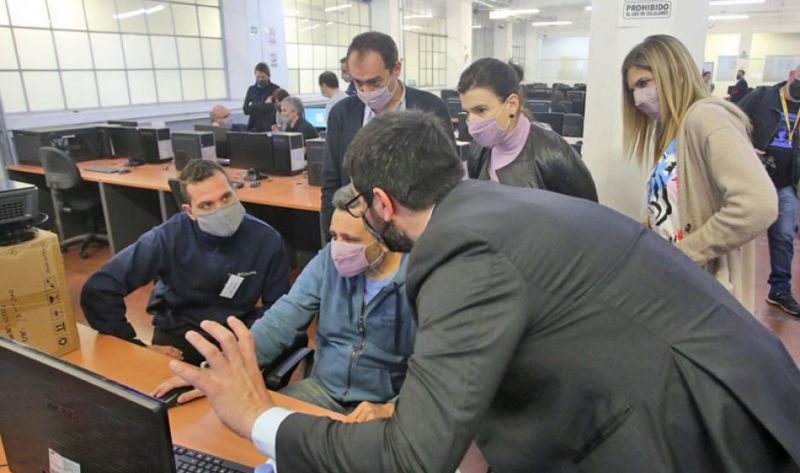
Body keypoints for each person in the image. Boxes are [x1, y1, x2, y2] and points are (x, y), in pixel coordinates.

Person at [170, 110, 800, 473]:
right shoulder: (491, 207)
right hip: (731, 383)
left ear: (382, 202)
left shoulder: (460, 251)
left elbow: (413, 460)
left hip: (704, 423)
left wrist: (257, 417)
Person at [154, 185, 416, 421]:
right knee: (246, 428)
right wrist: (223, 371)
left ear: (386, 239)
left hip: (384, 404)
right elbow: (284, 318)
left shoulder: (419, 280)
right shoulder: (328, 261)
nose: (337, 247)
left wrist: (393, 408)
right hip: (322, 391)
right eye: (334, 236)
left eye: (349, 239)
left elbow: (434, 371)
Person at [81, 160, 290, 365]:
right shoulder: (167, 238)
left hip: (236, 334)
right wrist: (135, 346)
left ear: (236, 191)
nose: (221, 209)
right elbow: (99, 289)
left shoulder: (266, 239)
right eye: (207, 205)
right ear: (189, 211)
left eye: (226, 197)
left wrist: (251, 343)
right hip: (180, 335)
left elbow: (279, 306)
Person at [622, 34, 777, 311]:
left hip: (704, 294)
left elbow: (758, 205)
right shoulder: (673, 130)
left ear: (675, 73)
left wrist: (685, 255)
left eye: (644, 83)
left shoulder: (706, 117)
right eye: (633, 89)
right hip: (678, 286)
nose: (638, 99)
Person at [320, 31, 453, 239]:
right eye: (358, 83)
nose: (366, 90)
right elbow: (331, 182)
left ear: (396, 69)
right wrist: (332, 240)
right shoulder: (342, 114)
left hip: (415, 233)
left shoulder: (432, 108)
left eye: (375, 82)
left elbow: (446, 183)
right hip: (357, 231)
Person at [459, 58, 597, 201]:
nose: (472, 121)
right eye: (467, 112)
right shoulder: (478, 151)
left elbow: (586, 210)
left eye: (481, 110)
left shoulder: (554, 154)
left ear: (512, 104)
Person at [739, 64, 800, 316]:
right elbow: (730, 120)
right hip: (752, 179)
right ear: (791, 75)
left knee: (784, 236)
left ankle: (780, 290)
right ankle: (726, 286)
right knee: (737, 234)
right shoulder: (763, 96)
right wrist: (746, 146)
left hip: (785, 182)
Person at [243, 62, 281, 132]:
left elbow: (274, 108)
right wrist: (265, 105)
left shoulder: (275, 89)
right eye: (258, 77)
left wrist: (254, 106)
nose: (260, 79)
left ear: (268, 76)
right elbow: (246, 110)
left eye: (263, 77)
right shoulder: (251, 89)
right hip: (253, 126)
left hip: (269, 126)